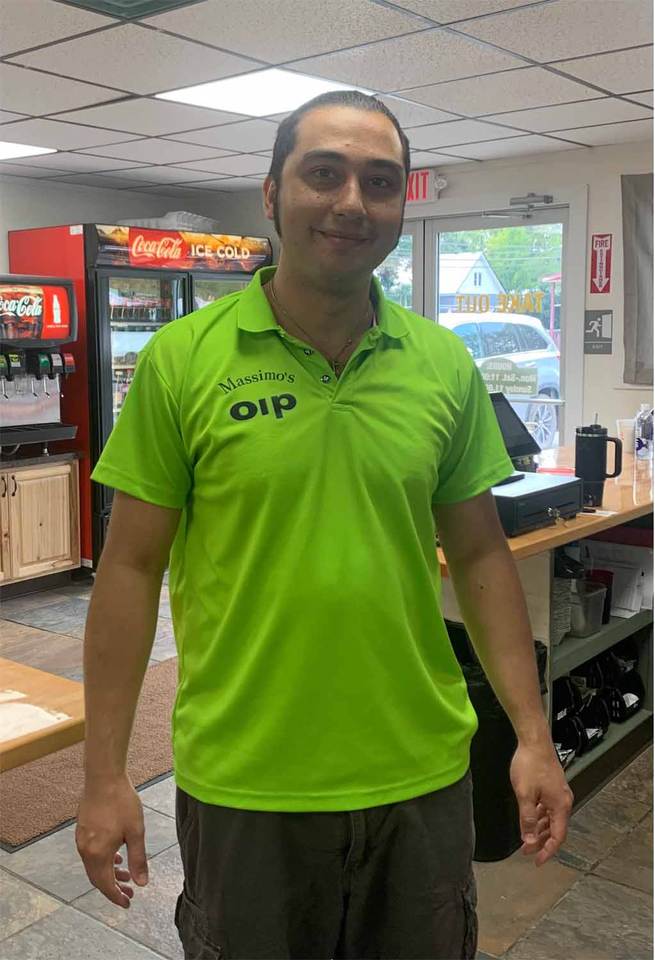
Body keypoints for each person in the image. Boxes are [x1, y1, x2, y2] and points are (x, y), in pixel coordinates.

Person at [76, 90, 573, 960]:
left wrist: (533, 735)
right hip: (247, 780)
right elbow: (128, 570)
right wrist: (103, 772)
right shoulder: (180, 362)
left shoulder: (441, 363)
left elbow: (480, 554)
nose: (351, 201)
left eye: (379, 182)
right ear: (271, 194)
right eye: (323, 174)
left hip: (419, 773)